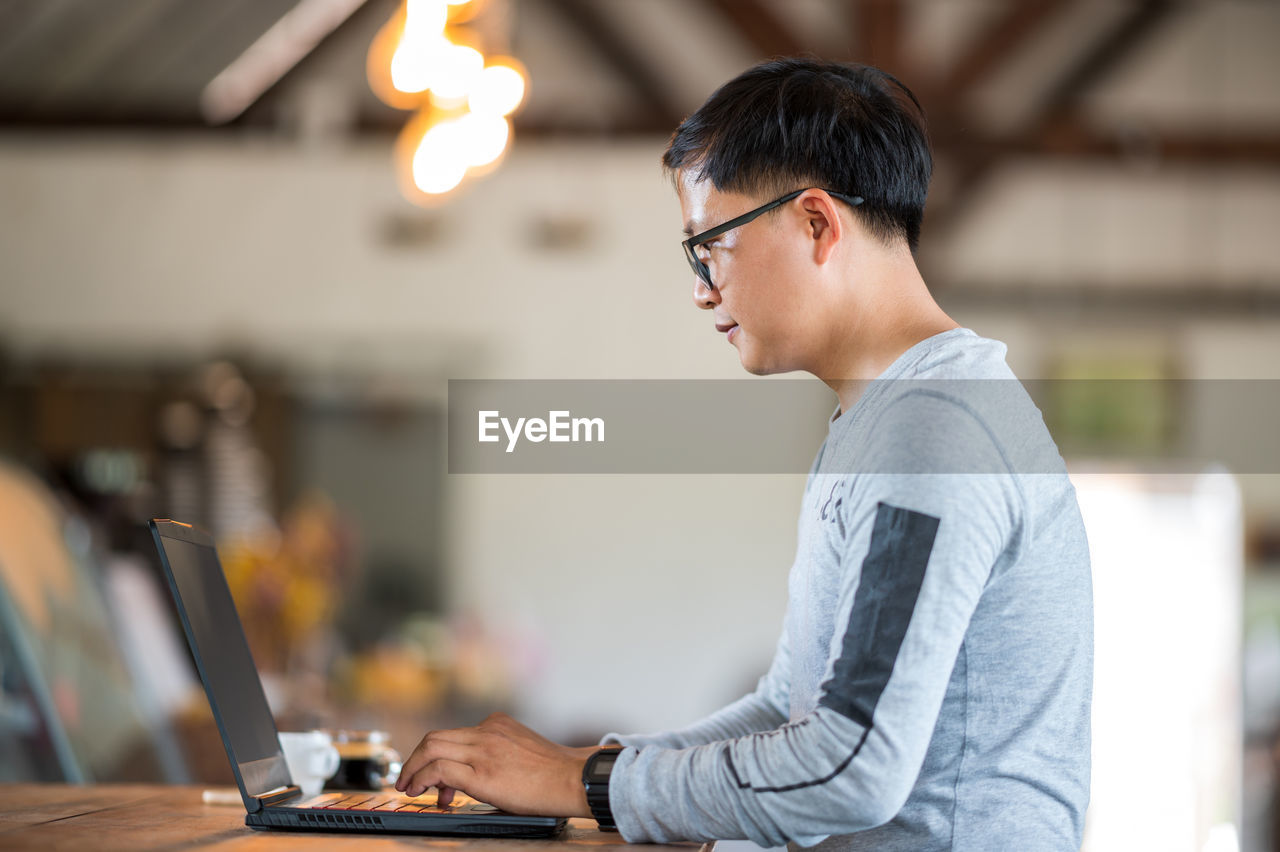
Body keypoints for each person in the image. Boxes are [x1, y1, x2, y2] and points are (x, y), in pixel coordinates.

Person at [396, 57, 1093, 850]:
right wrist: (582, 767)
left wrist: (581, 784)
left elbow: (854, 766)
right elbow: (788, 709)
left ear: (817, 223)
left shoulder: (933, 431)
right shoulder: (882, 420)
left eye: (710, 246)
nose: (701, 288)